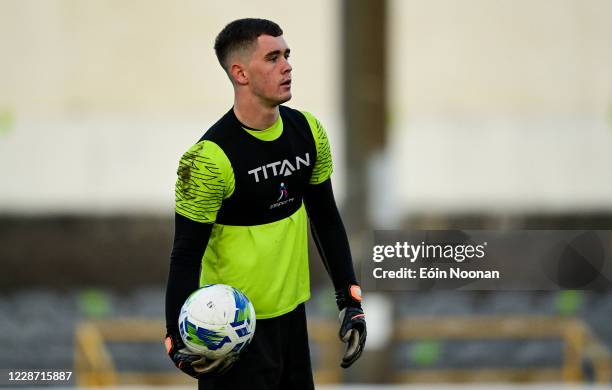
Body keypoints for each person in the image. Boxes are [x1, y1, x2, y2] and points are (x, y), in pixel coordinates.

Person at [164, 18, 366, 390]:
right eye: (272, 58)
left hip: (292, 323)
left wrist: (350, 300)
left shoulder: (309, 131)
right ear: (240, 73)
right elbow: (185, 255)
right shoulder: (207, 159)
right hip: (230, 338)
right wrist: (176, 340)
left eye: (287, 55)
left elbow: (326, 220)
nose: (287, 66)